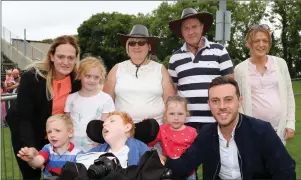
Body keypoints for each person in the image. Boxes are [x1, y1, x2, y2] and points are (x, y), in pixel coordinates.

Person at [163, 76, 296, 179]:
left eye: (228, 99)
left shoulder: (262, 131)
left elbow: (286, 171)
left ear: (239, 101)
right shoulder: (206, 134)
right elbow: (185, 165)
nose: (222, 106)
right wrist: (161, 160)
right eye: (215, 101)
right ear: (209, 104)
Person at [6, 35, 81, 180]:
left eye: (71, 58)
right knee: (31, 176)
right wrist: (31, 146)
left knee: (61, 175)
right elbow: (24, 118)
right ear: (52, 56)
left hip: (56, 137)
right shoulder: (33, 77)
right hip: (27, 134)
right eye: (61, 56)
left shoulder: (76, 81)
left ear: (76, 59)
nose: (66, 62)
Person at [168, 8, 234, 133]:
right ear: (181, 31)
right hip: (185, 123)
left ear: (202, 27)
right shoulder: (175, 58)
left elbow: (230, 86)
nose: (191, 32)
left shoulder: (219, 50)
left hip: (215, 120)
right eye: (186, 28)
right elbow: (173, 92)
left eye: (194, 27)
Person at [103, 24, 176, 125]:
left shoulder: (160, 69)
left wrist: (167, 129)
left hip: (155, 130)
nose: (136, 46)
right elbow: (106, 102)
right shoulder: (116, 69)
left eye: (141, 43)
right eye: (132, 43)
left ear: (149, 47)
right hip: (122, 130)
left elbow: (171, 102)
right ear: (127, 47)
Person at [234, 24, 295, 144]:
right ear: (248, 43)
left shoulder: (280, 64)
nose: (261, 45)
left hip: (279, 130)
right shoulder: (240, 69)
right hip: (253, 132)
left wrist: (290, 123)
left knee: (278, 162)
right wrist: (245, 128)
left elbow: (289, 95)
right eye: (257, 41)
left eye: (265, 41)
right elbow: (238, 102)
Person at [65, 56, 115, 152]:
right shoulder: (71, 98)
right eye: (88, 76)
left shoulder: (106, 99)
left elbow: (106, 124)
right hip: (72, 147)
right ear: (80, 75)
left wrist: (99, 140)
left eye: (96, 77)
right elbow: (67, 123)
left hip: (95, 147)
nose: (92, 80)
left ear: (101, 78)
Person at [148, 95, 197, 180]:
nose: (176, 118)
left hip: (188, 172)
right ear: (166, 114)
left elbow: (198, 150)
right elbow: (149, 144)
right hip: (168, 171)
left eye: (180, 114)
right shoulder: (161, 130)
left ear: (187, 114)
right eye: (172, 114)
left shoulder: (192, 132)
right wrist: (158, 156)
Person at [17, 114, 81, 178]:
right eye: (49, 132)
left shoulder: (78, 153)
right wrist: (30, 160)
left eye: (57, 130)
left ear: (70, 133)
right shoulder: (47, 149)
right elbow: (38, 161)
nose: (52, 135)